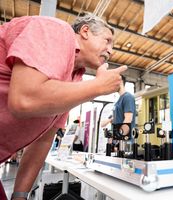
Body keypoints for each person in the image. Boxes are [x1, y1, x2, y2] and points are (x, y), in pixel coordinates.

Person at [0, 13, 127, 200]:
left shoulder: (73, 80)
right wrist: (98, 87)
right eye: (107, 41)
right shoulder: (55, 30)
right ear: (85, 31)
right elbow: (24, 99)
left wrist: (20, 194)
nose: (111, 50)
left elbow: (43, 140)